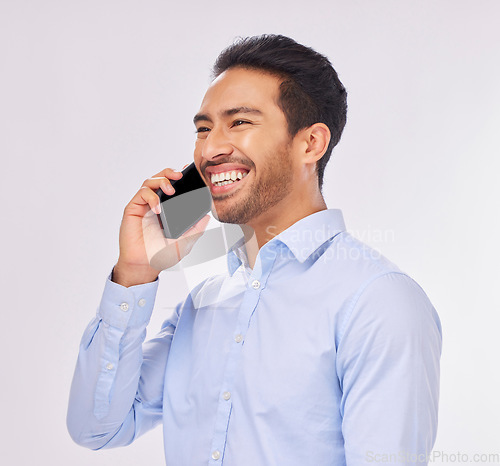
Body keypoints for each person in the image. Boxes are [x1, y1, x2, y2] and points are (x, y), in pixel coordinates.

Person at [67, 34, 442, 465]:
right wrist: (135, 272)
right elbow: (97, 428)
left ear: (311, 144)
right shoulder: (208, 295)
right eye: (203, 129)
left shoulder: (379, 302)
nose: (210, 148)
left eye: (240, 122)